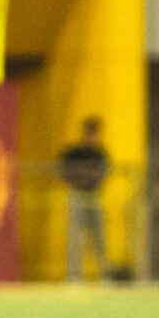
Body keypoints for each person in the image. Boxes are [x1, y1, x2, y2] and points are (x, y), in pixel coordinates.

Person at [57, 116, 111, 283]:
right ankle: (74, 276)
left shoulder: (100, 154)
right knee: (75, 238)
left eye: (94, 134)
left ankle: (104, 275)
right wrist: (82, 177)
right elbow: (64, 172)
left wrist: (84, 175)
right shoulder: (74, 153)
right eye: (89, 133)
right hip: (77, 196)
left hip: (94, 197)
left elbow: (102, 177)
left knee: (99, 238)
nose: (91, 137)